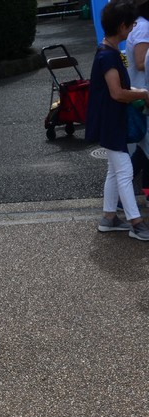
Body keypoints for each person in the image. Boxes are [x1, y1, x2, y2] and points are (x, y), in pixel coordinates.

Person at [89, 0, 149, 239]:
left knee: (114, 172)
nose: (134, 28)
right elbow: (117, 93)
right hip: (111, 121)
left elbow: (118, 90)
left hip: (109, 120)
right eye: (132, 24)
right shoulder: (108, 56)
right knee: (123, 171)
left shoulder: (108, 51)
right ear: (122, 26)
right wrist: (143, 94)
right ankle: (137, 224)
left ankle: (109, 217)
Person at [126, 0, 149, 194]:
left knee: (145, 147)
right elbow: (142, 62)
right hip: (143, 93)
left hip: (142, 91)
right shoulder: (143, 27)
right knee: (145, 146)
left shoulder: (140, 24)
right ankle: (119, 193)